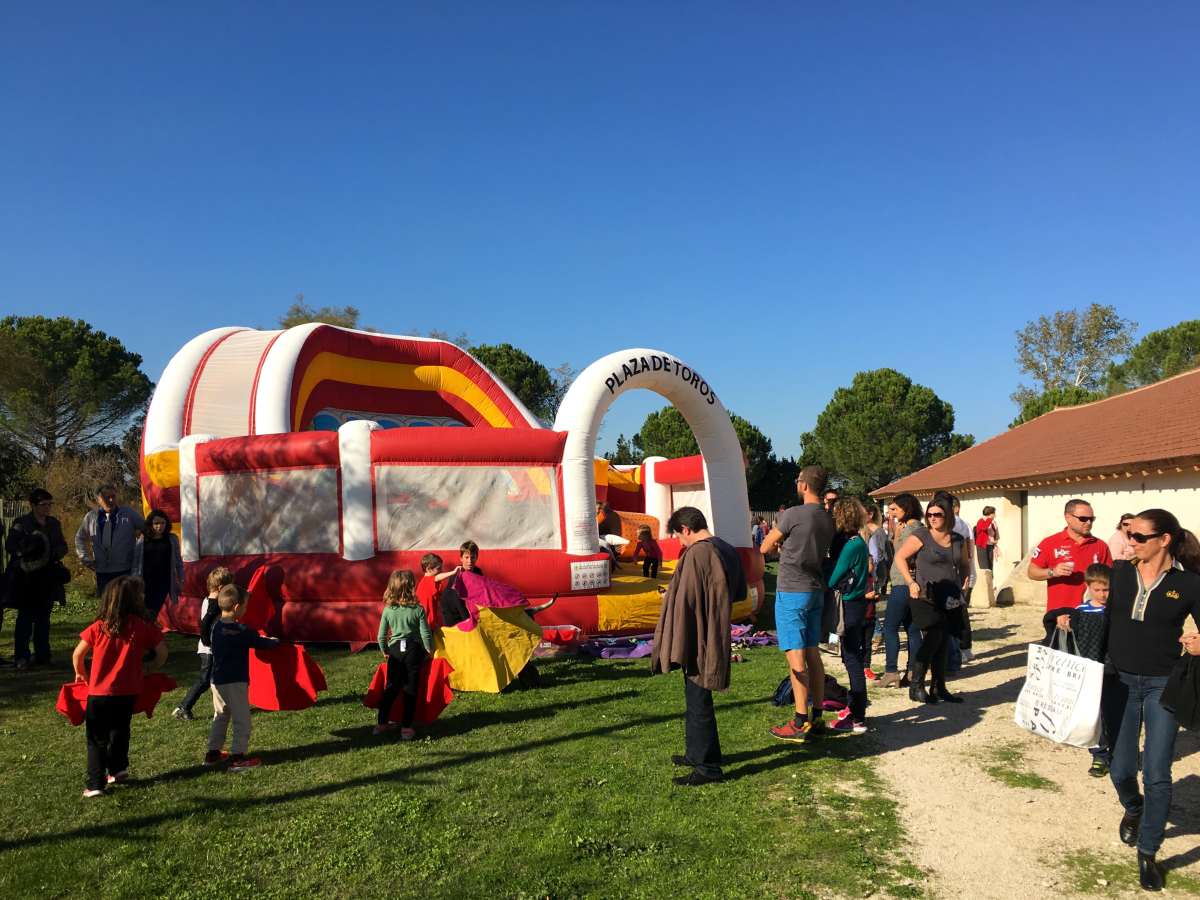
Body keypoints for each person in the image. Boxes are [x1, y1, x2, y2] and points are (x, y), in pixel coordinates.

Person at [1101, 509, 1200, 891]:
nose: (1131, 541)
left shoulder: (1189, 584)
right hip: (1120, 683)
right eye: (1129, 534)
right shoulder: (1120, 574)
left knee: (1157, 772)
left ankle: (1148, 852)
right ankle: (1134, 807)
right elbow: (1100, 616)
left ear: (1164, 540)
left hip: (1163, 685)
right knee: (1121, 768)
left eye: (1139, 537)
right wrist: (1069, 618)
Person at [650, 506, 745, 786]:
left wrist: (672, 597)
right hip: (712, 626)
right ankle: (697, 753)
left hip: (701, 633)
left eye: (679, 536)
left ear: (686, 529)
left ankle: (707, 768)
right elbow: (736, 591)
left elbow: (687, 599)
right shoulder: (725, 547)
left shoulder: (698, 552)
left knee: (698, 696)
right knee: (695, 695)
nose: (680, 542)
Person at [71, 576, 167, 797]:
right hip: (128, 692)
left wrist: (80, 673)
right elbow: (162, 652)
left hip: (99, 692)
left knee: (96, 738)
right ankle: (118, 769)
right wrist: (150, 667)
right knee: (120, 730)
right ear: (135, 601)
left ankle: (95, 784)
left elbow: (78, 654)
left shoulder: (99, 627)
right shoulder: (142, 627)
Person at [760, 466, 835, 742]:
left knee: (796, 658)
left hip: (792, 590)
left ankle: (799, 720)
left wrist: (783, 547)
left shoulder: (792, 514)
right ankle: (817, 716)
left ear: (803, 485)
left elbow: (764, 547)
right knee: (813, 652)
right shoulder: (828, 518)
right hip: (816, 589)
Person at [893, 497, 970, 704]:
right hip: (923, 595)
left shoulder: (957, 539)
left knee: (944, 640)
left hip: (949, 596)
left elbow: (964, 563)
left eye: (937, 514)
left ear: (948, 516)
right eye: (930, 514)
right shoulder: (921, 536)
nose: (933, 518)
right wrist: (910, 582)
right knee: (934, 636)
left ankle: (939, 687)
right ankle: (916, 685)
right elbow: (899, 557)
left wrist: (965, 582)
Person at [1047, 563, 1114, 778]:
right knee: (1094, 715)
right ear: (1088, 587)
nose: (1103, 594)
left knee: (1113, 713)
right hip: (1088, 671)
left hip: (1113, 670)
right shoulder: (1079, 612)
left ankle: (1119, 753)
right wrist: (1063, 623)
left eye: (1107, 590)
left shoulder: (1117, 612)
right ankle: (1099, 755)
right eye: (1098, 590)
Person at [206, 584, 281, 771]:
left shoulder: (215, 627)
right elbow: (261, 644)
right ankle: (237, 758)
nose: (246, 610)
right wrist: (275, 642)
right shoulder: (241, 631)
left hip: (217, 680)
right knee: (242, 719)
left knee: (221, 715)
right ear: (237, 607)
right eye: (246, 606)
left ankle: (212, 753)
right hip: (235, 682)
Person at [6, 487, 69, 669]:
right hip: (26, 578)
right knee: (25, 618)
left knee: (43, 618)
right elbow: (11, 545)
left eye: (50, 504)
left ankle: (43, 655)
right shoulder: (22, 523)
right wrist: (25, 551)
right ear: (33, 505)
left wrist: (56, 552)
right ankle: (22, 657)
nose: (47, 508)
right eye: (43, 504)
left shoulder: (53, 523)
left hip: (47, 577)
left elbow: (62, 546)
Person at [1029, 498, 1113, 624]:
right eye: (1083, 519)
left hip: (1093, 615)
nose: (1089, 522)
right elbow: (1032, 572)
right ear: (1068, 517)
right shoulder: (1050, 543)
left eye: (1092, 519)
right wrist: (1053, 572)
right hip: (1060, 615)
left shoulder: (1100, 545)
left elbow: (1110, 580)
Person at [375, 570, 434, 739]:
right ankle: (406, 728)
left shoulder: (388, 610)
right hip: (413, 651)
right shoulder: (418, 609)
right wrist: (429, 650)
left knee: (391, 688)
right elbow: (426, 634)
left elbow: (381, 636)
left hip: (395, 651)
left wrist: (385, 651)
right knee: (411, 689)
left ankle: (381, 724)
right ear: (411, 587)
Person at [828, 500, 871, 733]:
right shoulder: (860, 543)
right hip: (858, 603)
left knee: (853, 659)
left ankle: (857, 716)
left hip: (849, 604)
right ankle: (856, 711)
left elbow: (834, 578)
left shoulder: (851, 546)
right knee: (851, 656)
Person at [173, 566, 233, 721]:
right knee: (205, 680)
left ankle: (223, 707)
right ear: (221, 588)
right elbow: (205, 624)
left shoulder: (212, 601)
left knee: (212, 679)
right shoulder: (213, 604)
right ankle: (184, 707)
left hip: (211, 647)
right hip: (209, 649)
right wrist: (207, 643)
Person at [880, 493, 924, 688]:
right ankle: (913, 669)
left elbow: (901, 555)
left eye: (895, 509)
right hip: (912, 584)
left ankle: (891, 671)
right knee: (912, 629)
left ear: (907, 508)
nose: (891, 513)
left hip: (902, 583)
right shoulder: (918, 528)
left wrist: (896, 537)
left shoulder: (909, 530)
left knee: (890, 628)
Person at [75, 484, 144, 597]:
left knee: (125, 606)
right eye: (107, 497)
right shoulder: (91, 517)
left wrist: (138, 553)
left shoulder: (128, 514)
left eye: (113, 496)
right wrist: (85, 558)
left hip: (125, 571)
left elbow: (147, 530)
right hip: (102, 572)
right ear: (98, 499)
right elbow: (80, 538)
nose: (111, 500)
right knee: (107, 607)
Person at [131, 509, 183, 621]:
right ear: (151, 524)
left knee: (154, 609)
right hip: (145, 581)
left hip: (163, 582)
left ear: (167, 523)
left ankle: (148, 632)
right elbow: (136, 561)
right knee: (143, 608)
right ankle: (145, 632)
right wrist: (134, 579)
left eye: (162, 523)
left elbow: (178, 561)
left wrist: (181, 578)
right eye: (156, 523)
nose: (160, 526)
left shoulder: (172, 539)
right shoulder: (143, 539)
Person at [416, 553, 446, 628]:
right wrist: (454, 572)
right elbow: (437, 578)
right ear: (428, 569)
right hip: (427, 625)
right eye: (438, 568)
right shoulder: (428, 581)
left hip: (427, 624)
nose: (441, 571)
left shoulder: (425, 582)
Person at [974, 506, 999, 571]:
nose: (995, 515)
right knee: (984, 567)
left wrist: (995, 541)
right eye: (994, 513)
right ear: (990, 514)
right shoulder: (981, 520)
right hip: (982, 545)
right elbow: (984, 527)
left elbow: (996, 532)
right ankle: (985, 581)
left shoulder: (993, 522)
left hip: (990, 545)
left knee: (990, 566)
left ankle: (990, 580)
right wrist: (990, 519)